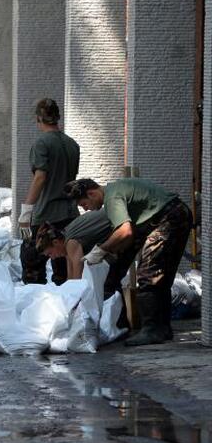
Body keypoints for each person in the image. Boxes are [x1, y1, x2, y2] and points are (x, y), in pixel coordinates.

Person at [63, 178, 192, 346]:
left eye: (84, 204)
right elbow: (127, 240)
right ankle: (157, 328)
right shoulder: (115, 192)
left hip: (169, 217)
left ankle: (152, 329)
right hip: (169, 216)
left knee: (148, 274)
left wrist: (101, 249)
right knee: (139, 272)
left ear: (92, 193)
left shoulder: (112, 197)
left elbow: (125, 232)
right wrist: (110, 256)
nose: (85, 209)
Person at [18, 98, 80, 286]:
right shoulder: (72, 144)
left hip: (46, 214)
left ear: (39, 119)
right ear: (57, 117)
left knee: (32, 263)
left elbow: (40, 177)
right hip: (70, 214)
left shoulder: (42, 144)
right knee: (63, 265)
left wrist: (26, 211)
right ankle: (64, 307)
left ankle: (36, 308)